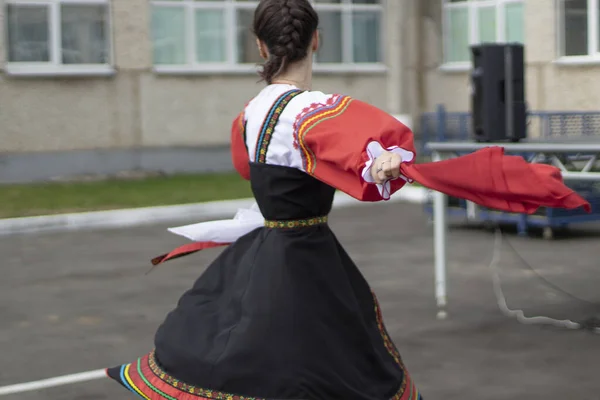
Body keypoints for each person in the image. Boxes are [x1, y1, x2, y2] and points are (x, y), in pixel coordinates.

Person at [105, 0, 590, 399]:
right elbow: (350, 139)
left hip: (264, 251)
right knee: (332, 364)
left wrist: (375, 160)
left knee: (252, 353)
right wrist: (382, 159)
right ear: (316, 40)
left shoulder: (250, 114)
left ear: (259, 45)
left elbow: (269, 162)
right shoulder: (308, 108)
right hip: (306, 256)